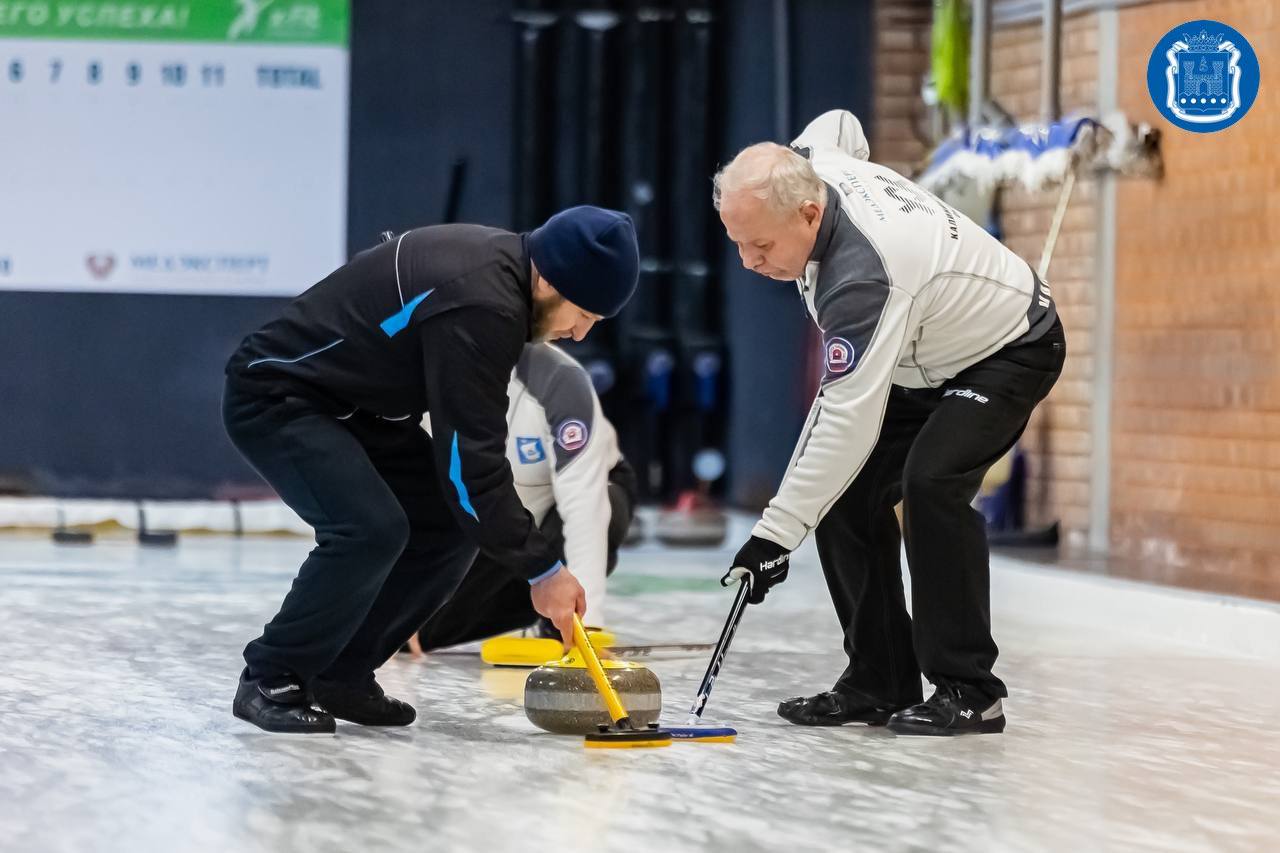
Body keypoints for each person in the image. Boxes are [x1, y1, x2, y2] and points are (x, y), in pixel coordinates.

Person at [223, 206, 639, 733]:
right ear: (552, 281)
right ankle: (271, 675)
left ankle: (341, 673)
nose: (579, 334)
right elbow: (472, 468)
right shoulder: (484, 305)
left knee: (444, 521)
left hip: (350, 406)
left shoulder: (500, 275)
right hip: (277, 394)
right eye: (583, 315)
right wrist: (543, 571)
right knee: (369, 529)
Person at [715, 110, 1065, 735]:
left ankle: (970, 690)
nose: (748, 262)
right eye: (737, 243)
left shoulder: (862, 276)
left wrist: (773, 539)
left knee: (932, 483)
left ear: (810, 214)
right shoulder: (808, 164)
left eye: (761, 247)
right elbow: (839, 123)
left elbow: (845, 419)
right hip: (920, 353)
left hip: (1007, 347)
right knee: (846, 492)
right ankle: (879, 680)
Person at [412, 342, 636, 652]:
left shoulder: (559, 380)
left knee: (599, 512)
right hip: (496, 510)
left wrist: (587, 624)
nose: (580, 334)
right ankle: (528, 613)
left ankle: (558, 625)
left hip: (570, 501)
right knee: (416, 630)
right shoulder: (424, 377)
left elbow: (585, 506)